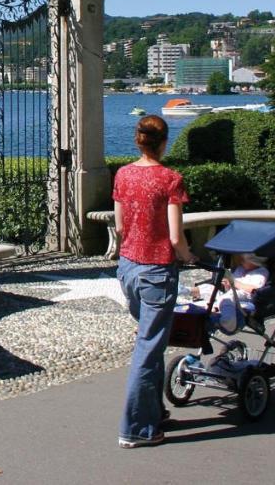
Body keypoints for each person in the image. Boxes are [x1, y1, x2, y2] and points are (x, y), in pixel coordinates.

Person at [113, 115, 196, 449]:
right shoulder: (170, 180)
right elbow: (176, 237)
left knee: (152, 342)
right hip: (156, 273)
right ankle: (135, 429)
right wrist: (189, 257)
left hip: (128, 269)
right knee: (148, 349)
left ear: (138, 140)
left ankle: (154, 411)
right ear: (164, 142)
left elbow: (119, 228)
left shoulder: (122, 174)